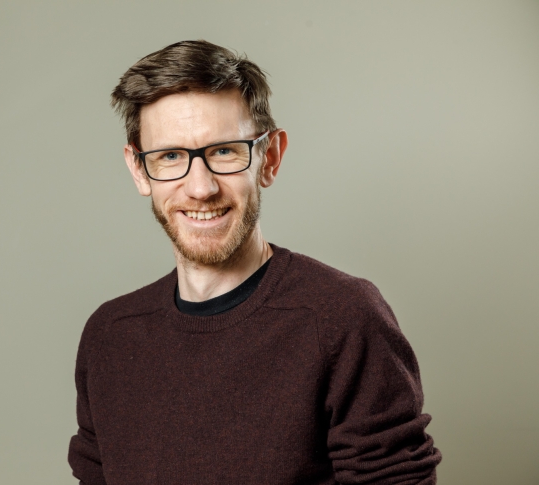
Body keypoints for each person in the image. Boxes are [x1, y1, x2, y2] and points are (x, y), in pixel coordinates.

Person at [68, 40, 441, 484]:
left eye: (225, 151)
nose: (201, 187)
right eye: (170, 156)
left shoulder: (341, 317)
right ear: (138, 170)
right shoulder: (110, 335)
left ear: (270, 157)